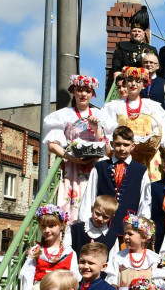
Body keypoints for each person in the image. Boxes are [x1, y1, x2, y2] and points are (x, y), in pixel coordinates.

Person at [43, 75, 115, 221]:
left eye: (87, 91)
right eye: (79, 90)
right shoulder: (64, 114)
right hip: (73, 167)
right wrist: (71, 158)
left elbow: (108, 150)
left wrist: (97, 130)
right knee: (72, 207)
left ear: (92, 94)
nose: (83, 94)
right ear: (73, 91)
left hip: (96, 166)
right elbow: (52, 145)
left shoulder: (100, 115)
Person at [78, 126, 151, 247]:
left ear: (133, 146)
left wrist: (140, 225)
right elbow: (89, 195)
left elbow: (145, 200)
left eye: (126, 145)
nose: (122, 148)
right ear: (111, 144)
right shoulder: (99, 167)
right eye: (118, 144)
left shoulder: (141, 170)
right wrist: (86, 224)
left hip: (127, 230)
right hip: (100, 228)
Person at [104, 67, 165, 181]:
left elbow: (162, 131)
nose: (133, 84)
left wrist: (150, 143)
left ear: (144, 84)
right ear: (125, 82)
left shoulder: (152, 106)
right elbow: (108, 131)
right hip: (123, 154)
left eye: (138, 81)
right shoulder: (114, 106)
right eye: (130, 80)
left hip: (148, 156)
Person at [19, 205, 80, 290]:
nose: (47, 230)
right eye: (43, 226)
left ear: (62, 225)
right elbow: (27, 282)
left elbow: (73, 282)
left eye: (51, 226)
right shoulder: (36, 251)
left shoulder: (69, 253)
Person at [107, 214, 161, 289]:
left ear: (144, 237)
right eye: (125, 233)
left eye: (130, 234)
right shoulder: (120, 257)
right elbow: (112, 278)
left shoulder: (153, 259)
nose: (125, 237)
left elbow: (158, 284)